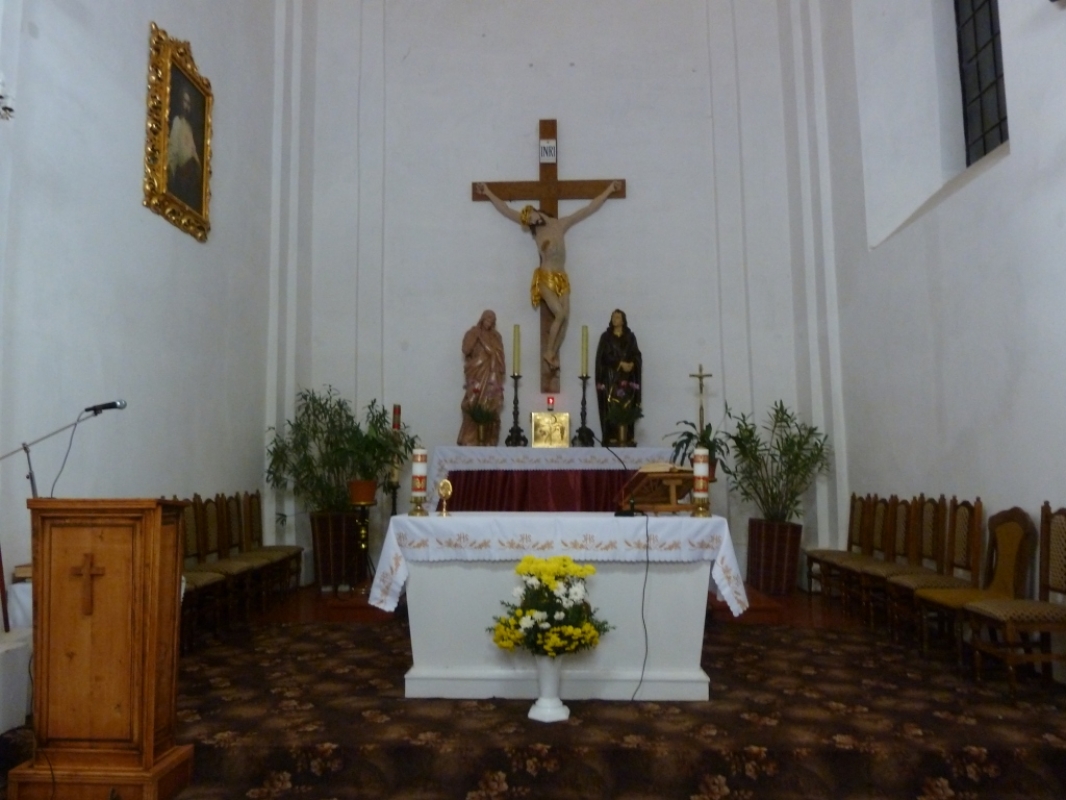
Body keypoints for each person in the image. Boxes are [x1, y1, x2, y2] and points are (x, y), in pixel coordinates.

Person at [476, 180, 621, 373]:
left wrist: (609, 190)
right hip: (545, 276)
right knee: (559, 314)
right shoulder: (538, 233)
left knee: (565, 319)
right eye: (529, 222)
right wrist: (487, 192)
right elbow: (506, 209)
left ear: (535, 211)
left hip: (562, 276)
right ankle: (548, 352)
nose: (532, 222)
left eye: (532, 217)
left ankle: (552, 354)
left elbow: (587, 209)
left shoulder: (560, 224)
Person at [457, 310, 506, 446]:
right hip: (476, 372)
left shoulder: (496, 336)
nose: (490, 321)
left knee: (491, 404)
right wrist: (476, 338)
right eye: (488, 318)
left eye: (493, 319)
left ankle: (489, 438)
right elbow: (466, 350)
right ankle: (469, 438)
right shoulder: (473, 332)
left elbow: (499, 354)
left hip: (492, 374)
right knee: (472, 401)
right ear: (482, 318)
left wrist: (492, 354)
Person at [595, 309, 642, 445]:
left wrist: (632, 364)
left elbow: (636, 354)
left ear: (623, 320)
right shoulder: (606, 337)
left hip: (627, 378)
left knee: (627, 405)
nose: (614, 319)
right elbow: (603, 357)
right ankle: (611, 435)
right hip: (611, 378)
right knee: (611, 406)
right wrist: (619, 363)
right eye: (613, 317)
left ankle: (627, 435)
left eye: (617, 317)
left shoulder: (630, 337)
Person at [167, 86, 203, 211]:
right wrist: (171, 172)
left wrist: (196, 167)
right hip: (181, 174)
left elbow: (193, 151)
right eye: (185, 102)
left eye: (189, 103)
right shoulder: (177, 121)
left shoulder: (189, 127)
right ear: (181, 102)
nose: (187, 106)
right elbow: (173, 149)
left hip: (190, 175)